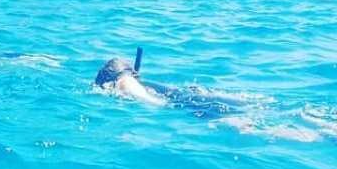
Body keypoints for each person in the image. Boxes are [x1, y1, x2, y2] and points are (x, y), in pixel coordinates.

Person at [93, 49, 237, 118]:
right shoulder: (135, 80)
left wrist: (165, 109)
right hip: (195, 97)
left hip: (190, 104)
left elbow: (152, 101)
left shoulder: (124, 82)